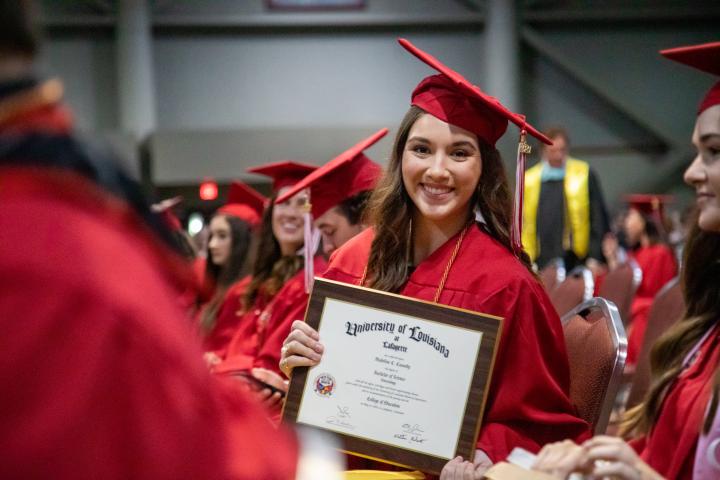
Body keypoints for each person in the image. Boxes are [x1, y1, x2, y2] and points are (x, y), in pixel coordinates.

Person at [0, 2, 298, 478]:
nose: (215, 244)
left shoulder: (60, 261)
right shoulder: (72, 250)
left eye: (224, 234)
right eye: (284, 206)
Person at [280, 38, 591, 477]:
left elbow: (540, 423)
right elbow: (326, 394)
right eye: (421, 149)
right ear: (401, 156)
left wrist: (484, 452)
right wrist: (300, 366)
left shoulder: (506, 285)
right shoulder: (353, 259)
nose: (437, 170)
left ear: (483, 169)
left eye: (460, 153)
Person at [532, 40, 720, 480]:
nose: (691, 172)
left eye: (715, 151)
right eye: (696, 151)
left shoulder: (658, 260)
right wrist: (606, 457)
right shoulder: (706, 326)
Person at [216, 129, 386, 411]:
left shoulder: (315, 280)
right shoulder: (270, 280)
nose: (330, 245)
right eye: (283, 203)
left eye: (300, 204)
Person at [207, 161, 322, 369]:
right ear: (271, 211)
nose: (291, 213)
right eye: (284, 202)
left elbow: (271, 363)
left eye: (301, 203)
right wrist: (219, 358)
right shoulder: (265, 277)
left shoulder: (310, 282)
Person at [522, 126, 611, 272]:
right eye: (553, 151)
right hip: (540, 257)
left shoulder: (583, 174)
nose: (558, 156)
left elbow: (598, 217)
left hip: (576, 258)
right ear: (543, 150)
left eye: (562, 150)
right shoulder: (529, 180)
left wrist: (595, 256)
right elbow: (523, 222)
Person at [605, 194, 677, 367]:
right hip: (629, 320)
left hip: (646, 325)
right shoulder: (633, 255)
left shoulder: (660, 253)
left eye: (630, 216)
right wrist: (612, 260)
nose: (626, 223)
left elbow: (660, 299)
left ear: (643, 222)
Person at [198, 181, 265, 357]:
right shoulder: (221, 286)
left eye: (222, 236)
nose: (212, 245)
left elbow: (226, 349)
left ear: (241, 241)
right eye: (211, 236)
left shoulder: (243, 291)